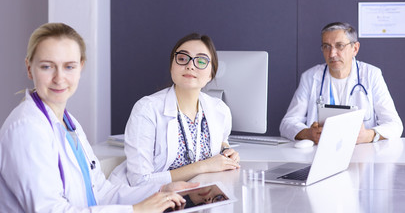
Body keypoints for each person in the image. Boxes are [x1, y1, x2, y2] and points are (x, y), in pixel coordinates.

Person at [0, 22, 199, 213]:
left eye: (69, 66)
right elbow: (49, 210)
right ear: (29, 68)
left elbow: (101, 193)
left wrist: (162, 191)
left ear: (81, 67)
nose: (59, 78)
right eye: (47, 66)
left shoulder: (68, 123)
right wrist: (137, 210)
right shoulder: (26, 129)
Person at [109, 33, 240, 187]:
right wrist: (203, 166)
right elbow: (139, 181)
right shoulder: (146, 109)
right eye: (183, 59)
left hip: (200, 197)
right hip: (152, 200)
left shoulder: (219, 110)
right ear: (172, 66)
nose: (190, 65)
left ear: (211, 74)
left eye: (201, 61)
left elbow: (222, 140)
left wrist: (226, 150)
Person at [280, 22, 403, 144]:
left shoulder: (371, 75)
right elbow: (287, 123)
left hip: (361, 153)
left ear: (355, 48)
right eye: (327, 46)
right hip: (321, 153)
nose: (332, 54)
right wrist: (308, 134)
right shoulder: (310, 77)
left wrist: (368, 135)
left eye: (340, 46)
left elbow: (395, 125)